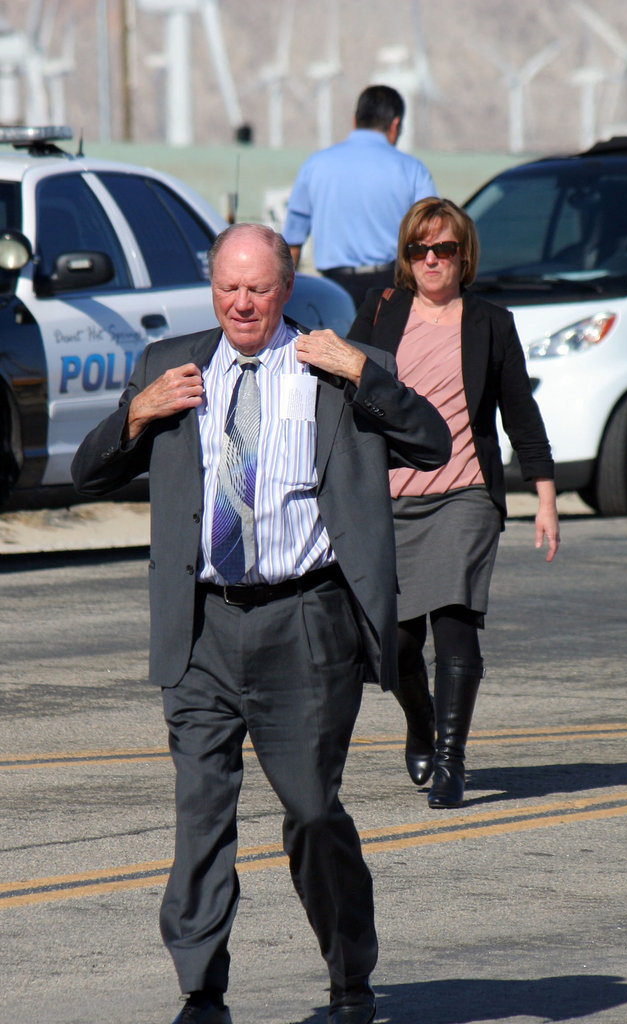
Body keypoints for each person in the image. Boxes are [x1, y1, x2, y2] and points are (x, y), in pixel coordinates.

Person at [70, 223, 451, 1024]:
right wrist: (138, 414)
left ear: (287, 289)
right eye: (227, 287)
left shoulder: (338, 368)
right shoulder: (168, 368)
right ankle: (201, 993)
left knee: (313, 811)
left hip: (305, 624)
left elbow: (431, 442)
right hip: (202, 624)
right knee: (202, 813)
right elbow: (88, 471)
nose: (241, 303)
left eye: (258, 289)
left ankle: (351, 977)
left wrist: (364, 373)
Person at [345, 196, 560, 809]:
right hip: (390, 501)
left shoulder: (491, 321)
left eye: (443, 249)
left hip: (466, 495)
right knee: (400, 645)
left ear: (463, 255)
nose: (431, 260)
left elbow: (520, 412)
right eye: (419, 250)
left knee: (457, 630)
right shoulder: (383, 311)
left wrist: (544, 498)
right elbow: (345, 386)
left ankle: (451, 761)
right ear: (406, 258)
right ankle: (422, 722)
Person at [282, 84, 437, 308]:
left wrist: (286, 301)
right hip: (393, 286)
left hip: (333, 287)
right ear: (396, 125)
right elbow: (432, 233)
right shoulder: (413, 169)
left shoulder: (315, 165)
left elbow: (292, 244)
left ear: (355, 121)